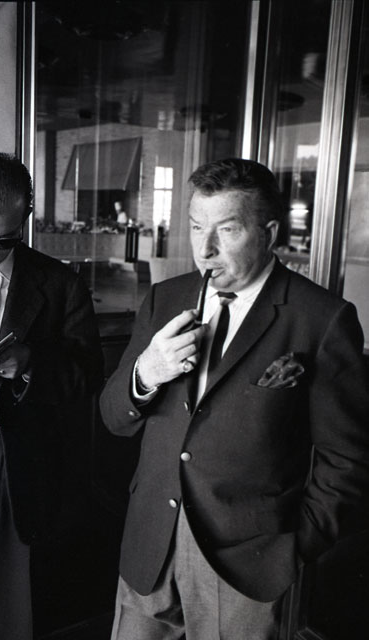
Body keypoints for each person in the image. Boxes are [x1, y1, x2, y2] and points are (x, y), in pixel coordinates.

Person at [100, 157, 369, 640]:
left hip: (248, 563)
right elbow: (113, 418)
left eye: (226, 230)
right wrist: (146, 373)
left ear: (268, 233)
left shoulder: (322, 318)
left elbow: (347, 458)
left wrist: (294, 545)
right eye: (195, 227)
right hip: (149, 544)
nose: (205, 249)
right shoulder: (164, 299)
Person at [0, 152, 103, 639]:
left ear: (26, 216)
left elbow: (88, 378)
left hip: (21, 463)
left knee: (17, 612)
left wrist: (32, 364)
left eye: (4, 241)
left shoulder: (61, 283)